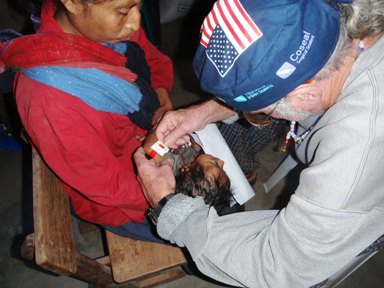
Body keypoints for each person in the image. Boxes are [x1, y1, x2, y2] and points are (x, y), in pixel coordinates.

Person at [133, 0, 384, 286]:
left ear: (305, 95)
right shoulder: (330, 18)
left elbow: (280, 268)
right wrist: (202, 113)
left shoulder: (356, 150)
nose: (257, 117)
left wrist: (169, 207)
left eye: (262, 111)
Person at [1, 0, 174, 242]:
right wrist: (170, 194)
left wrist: (161, 93)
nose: (135, 22)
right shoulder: (51, 98)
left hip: (155, 150)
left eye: (139, 7)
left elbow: (154, 62)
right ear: (72, 3)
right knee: (211, 227)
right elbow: (107, 185)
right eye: (124, 11)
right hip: (125, 202)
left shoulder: (107, 27)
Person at [142, 129, 232, 213]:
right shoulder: (197, 157)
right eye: (223, 169)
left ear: (187, 168)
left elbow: (150, 147)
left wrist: (164, 130)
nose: (222, 162)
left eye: (215, 164)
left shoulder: (169, 164)